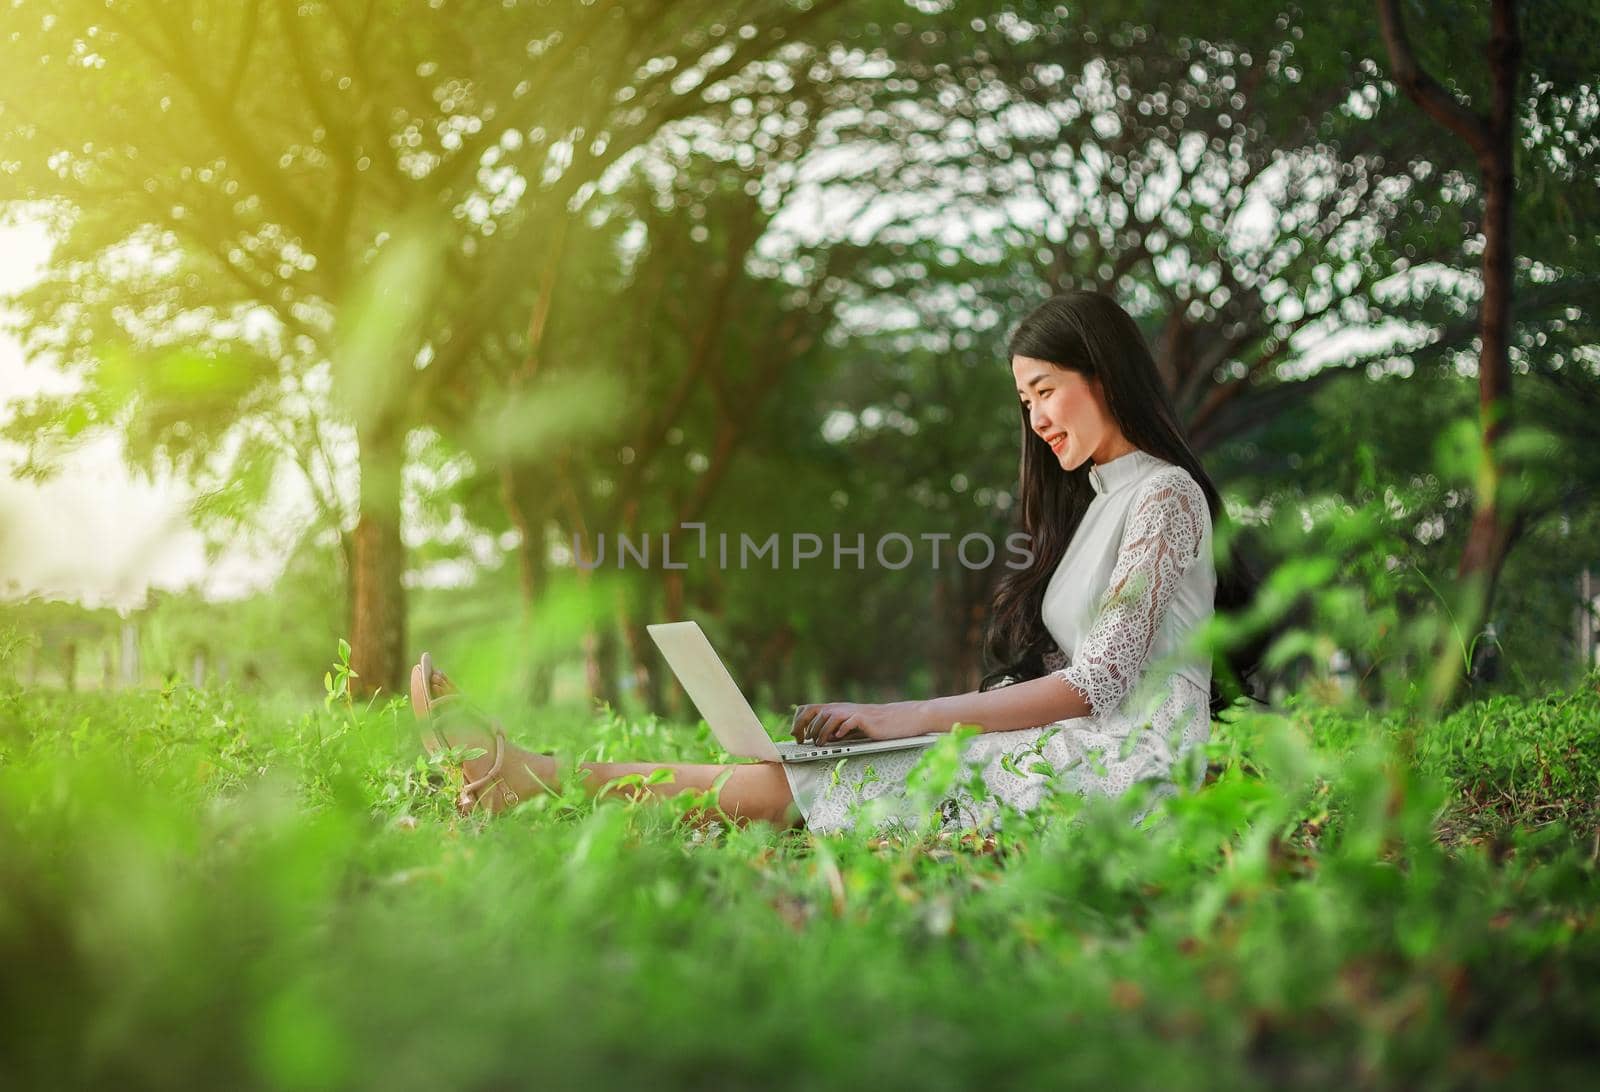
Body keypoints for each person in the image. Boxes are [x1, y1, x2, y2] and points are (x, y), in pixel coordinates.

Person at [411, 290, 1259, 833]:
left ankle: (534, 777)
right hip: (1078, 750)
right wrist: (913, 720)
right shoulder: (1106, 503)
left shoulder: (1166, 497)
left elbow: (1099, 685)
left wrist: (909, 715)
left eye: (1043, 389)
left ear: (1102, 373)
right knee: (811, 769)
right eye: (1023, 400)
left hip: (1130, 777)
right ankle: (530, 776)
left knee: (850, 771)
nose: (1033, 417)